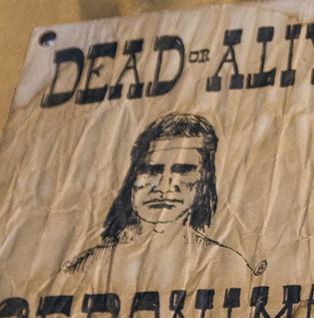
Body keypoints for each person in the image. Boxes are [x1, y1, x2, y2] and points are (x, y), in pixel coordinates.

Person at [65, 113, 263, 277]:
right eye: (152, 170)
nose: (164, 186)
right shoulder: (87, 266)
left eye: (183, 171)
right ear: (133, 176)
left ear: (203, 181)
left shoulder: (227, 264)